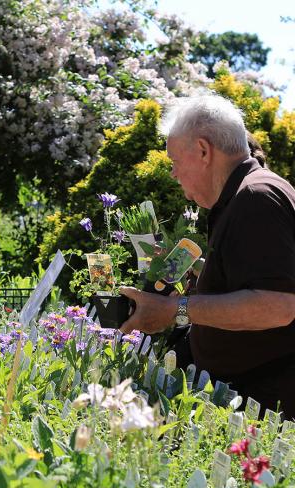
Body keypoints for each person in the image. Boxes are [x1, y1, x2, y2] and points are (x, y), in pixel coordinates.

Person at [120, 94, 295, 418]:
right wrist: (204, 274)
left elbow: (278, 306)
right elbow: (252, 284)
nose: (173, 174)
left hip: (267, 407)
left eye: (174, 161)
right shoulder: (241, 196)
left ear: (203, 150)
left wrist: (174, 310)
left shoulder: (256, 197)